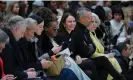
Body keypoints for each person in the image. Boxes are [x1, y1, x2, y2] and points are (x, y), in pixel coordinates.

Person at [73, 7, 126, 80]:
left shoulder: (86, 30)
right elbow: (85, 50)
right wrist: (89, 48)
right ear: (82, 18)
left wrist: (89, 48)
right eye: (89, 18)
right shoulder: (78, 31)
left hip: (90, 57)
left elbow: (93, 48)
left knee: (105, 61)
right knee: (105, 61)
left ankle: (121, 78)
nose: (91, 20)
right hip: (83, 59)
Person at [55, 12, 98, 80]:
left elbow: (75, 51)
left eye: (74, 21)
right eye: (69, 22)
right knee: (90, 63)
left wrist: (77, 56)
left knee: (90, 69)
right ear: (63, 24)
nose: (72, 23)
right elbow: (62, 55)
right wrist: (75, 59)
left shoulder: (73, 34)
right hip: (66, 65)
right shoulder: (60, 36)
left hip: (73, 61)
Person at [1, 16, 37, 80]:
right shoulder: (6, 43)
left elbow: (14, 66)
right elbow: (9, 71)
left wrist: (23, 71)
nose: (23, 36)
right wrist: (26, 74)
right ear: (16, 29)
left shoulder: (11, 40)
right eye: (22, 32)